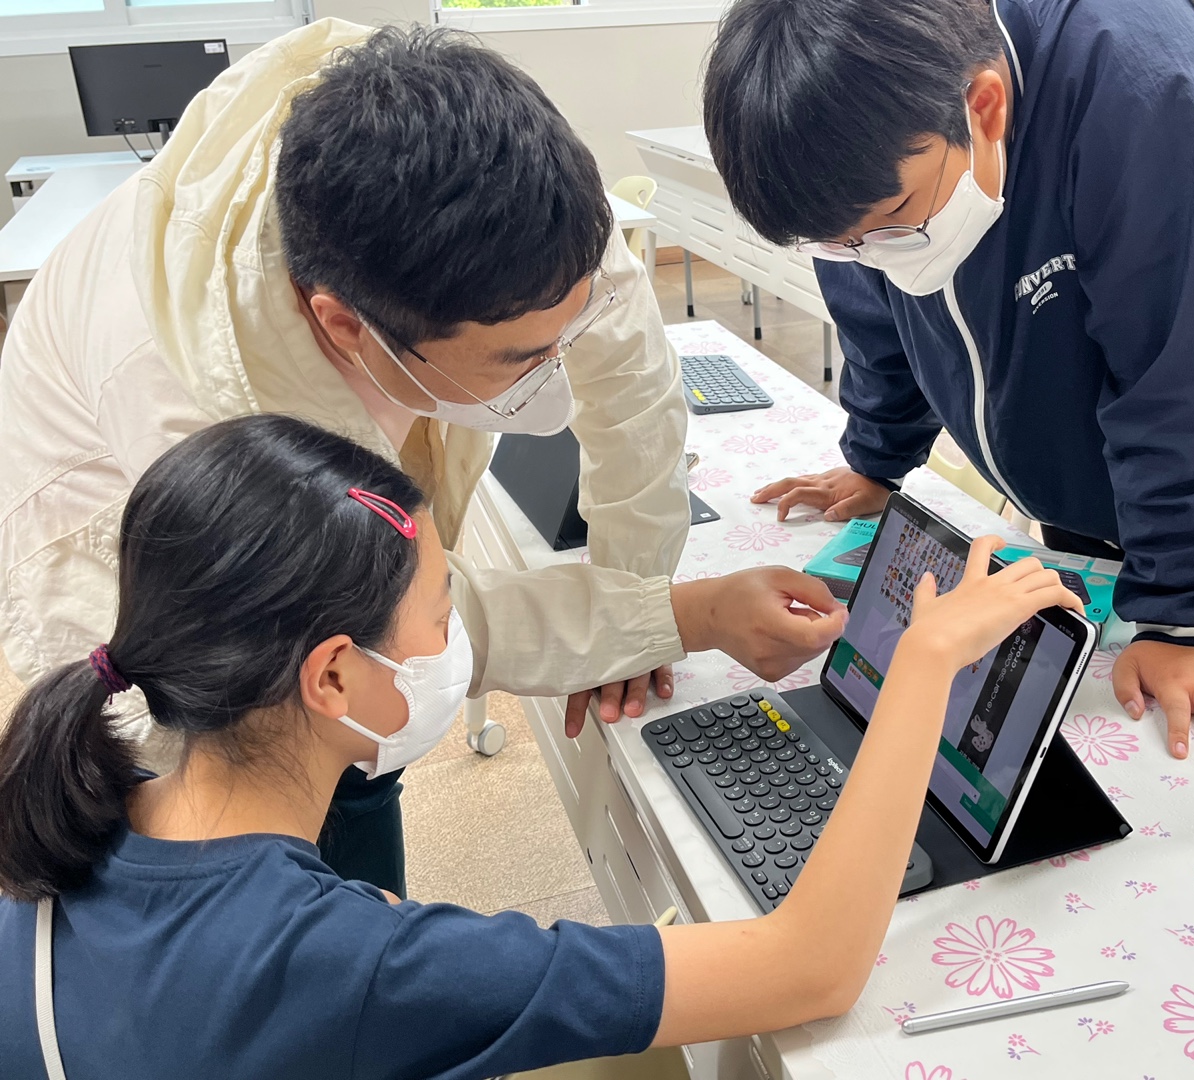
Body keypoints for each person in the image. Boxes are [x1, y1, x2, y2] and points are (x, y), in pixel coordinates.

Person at [0, 22, 843, 894]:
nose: (557, 373)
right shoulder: (200, 409)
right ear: (345, 326)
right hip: (114, 535)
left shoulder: (511, 187)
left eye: (568, 330)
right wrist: (684, 616)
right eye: (522, 358)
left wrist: (639, 605)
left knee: (376, 721)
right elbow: (405, 617)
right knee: (285, 778)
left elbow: (631, 386)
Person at [0, 415, 1081, 1079]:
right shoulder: (358, 965)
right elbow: (813, 968)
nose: (455, 646)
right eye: (441, 615)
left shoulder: (67, 823)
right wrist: (923, 669)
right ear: (331, 677)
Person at [702, 0, 1194, 770]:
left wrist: (1179, 616)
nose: (873, 253)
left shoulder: (1141, 80)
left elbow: (1193, 369)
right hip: (1085, 488)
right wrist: (879, 456)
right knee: (1066, 750)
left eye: (896, 219)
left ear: (984, 106)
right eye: (842, 244)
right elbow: (878, 300)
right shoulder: (879, 146)